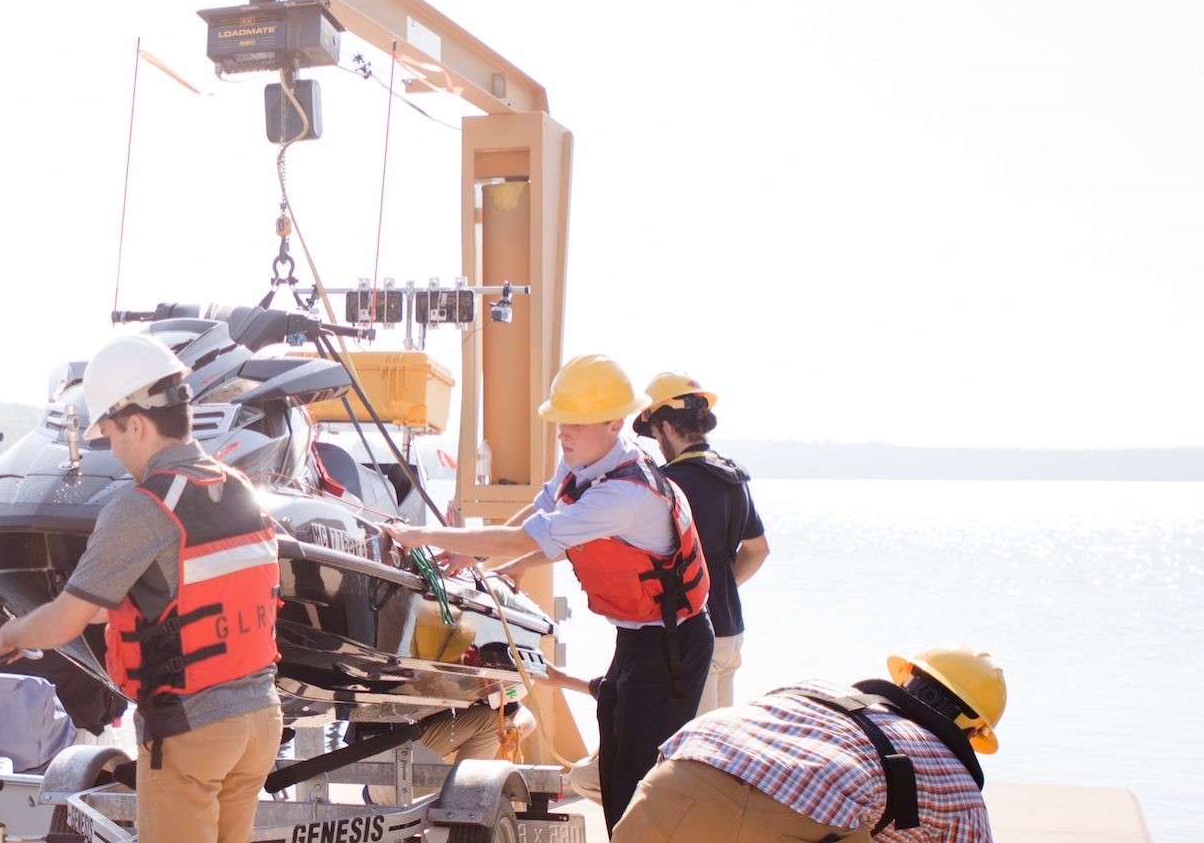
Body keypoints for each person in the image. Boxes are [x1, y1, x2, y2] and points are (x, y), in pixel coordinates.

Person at [379, 354, 713, 831]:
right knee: (615, 763)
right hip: (637, 638)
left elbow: (532, 538)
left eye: (575, 423)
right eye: (559, 421)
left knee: (639, 780)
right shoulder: (584, 462)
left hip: (674, 646)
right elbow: (543, 513)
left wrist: (425, 537)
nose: (563, 433)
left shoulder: (626, 495)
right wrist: (477, 557)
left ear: (615, 423)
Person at [0, 333, 281, 843]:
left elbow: (64, 620)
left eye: (114, 437)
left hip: (194, 728)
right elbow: (181, 595)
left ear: (139, 424)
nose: (116, 452)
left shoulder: (142, 508)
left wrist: (15, 634)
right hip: (259, 720)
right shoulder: (239, 489)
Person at [609, 646, 1007, 843]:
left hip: (674, 782)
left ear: (904, 680)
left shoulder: (815, 690)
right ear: (971, 734)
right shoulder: (960, 789)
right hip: (787, 822)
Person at [635, 372, 769, 714]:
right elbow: (757, 550)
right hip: (731, 632)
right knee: (720, 751)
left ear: (664, 427)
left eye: (654, 433)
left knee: (693, 755)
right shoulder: (733, 478)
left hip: (691, 636)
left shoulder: (668, 486)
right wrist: (717, 585)